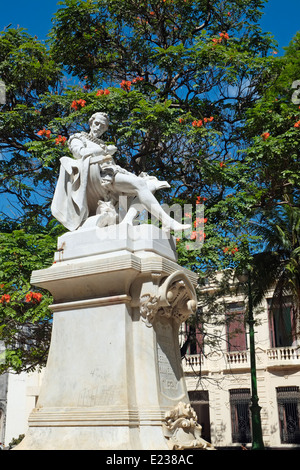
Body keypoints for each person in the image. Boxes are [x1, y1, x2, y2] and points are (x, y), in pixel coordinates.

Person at [51, 112, 190, 232]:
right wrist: (105, 151)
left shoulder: (101, 144)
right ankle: (168, 221)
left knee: (149, 185)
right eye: (97, 123)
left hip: (110, 173)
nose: (99, 128)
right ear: (91, 122)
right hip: (97, 176)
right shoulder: (78, 138)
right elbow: (80, 153)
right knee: (140, 184)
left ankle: (127, 222)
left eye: (103, 126)